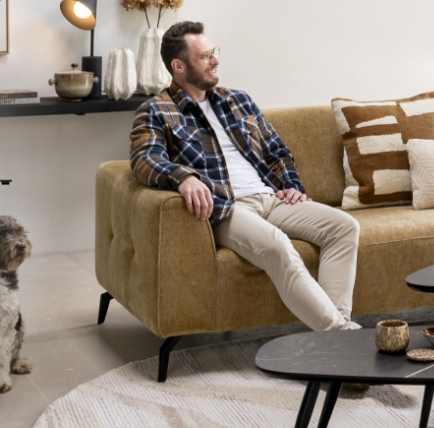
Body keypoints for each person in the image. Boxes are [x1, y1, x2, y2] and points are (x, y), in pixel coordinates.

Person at [129, 21, 362, 332]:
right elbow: (144, 159)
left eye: (214, 52)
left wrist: (291, 185)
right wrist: (184, 177)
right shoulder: (156, 110)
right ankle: (341, 335)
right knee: (278, 247)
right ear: (178, 66)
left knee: (344, 227)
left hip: (272, 199)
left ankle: (336, 337)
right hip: (228, 208)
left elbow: (277, 151)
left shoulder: (238, 101)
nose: (215, 60)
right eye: (204, 56)